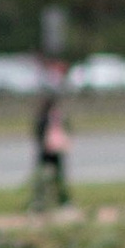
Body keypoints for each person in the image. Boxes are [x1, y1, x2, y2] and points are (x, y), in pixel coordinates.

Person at [31, 81, 72, 210]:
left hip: (54, 150)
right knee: (43, 178)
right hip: (47, 151)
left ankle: (62, 201)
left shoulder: (54, 116)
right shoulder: (46, 116)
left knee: (57, 178)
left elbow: (65, 130)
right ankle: (40, 202)